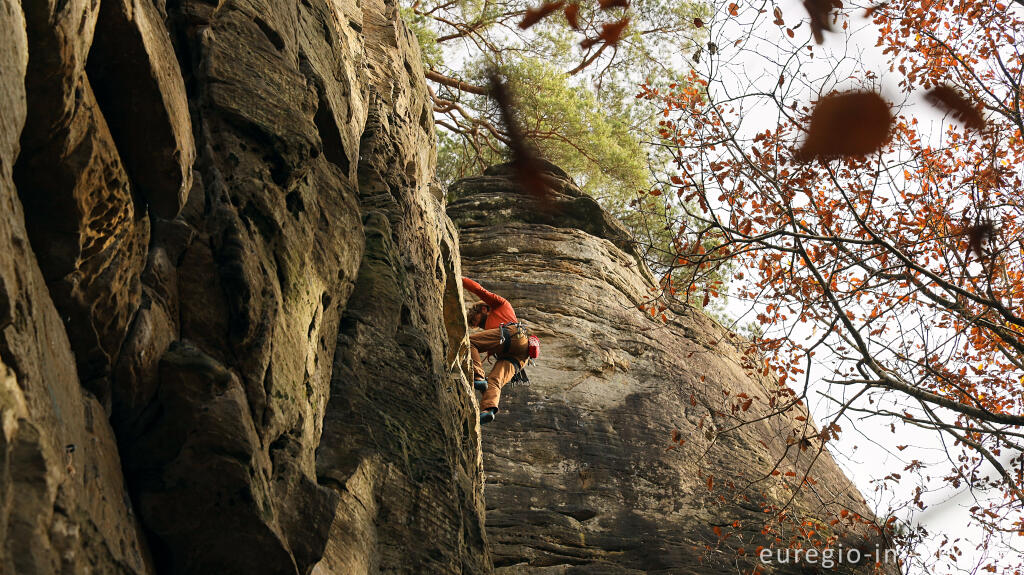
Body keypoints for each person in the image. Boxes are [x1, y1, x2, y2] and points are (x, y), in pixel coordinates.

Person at [463, 277, 531, 425]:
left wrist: (459, 278)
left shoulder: (500, 305)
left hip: (513, 335)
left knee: (469, 342)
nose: (479, 326)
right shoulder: (491, 331)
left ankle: (478, 378)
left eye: (475, 319)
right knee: (494, 380)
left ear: (484, 309)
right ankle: (488, 411)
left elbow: (478, 289)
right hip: (519, 356)